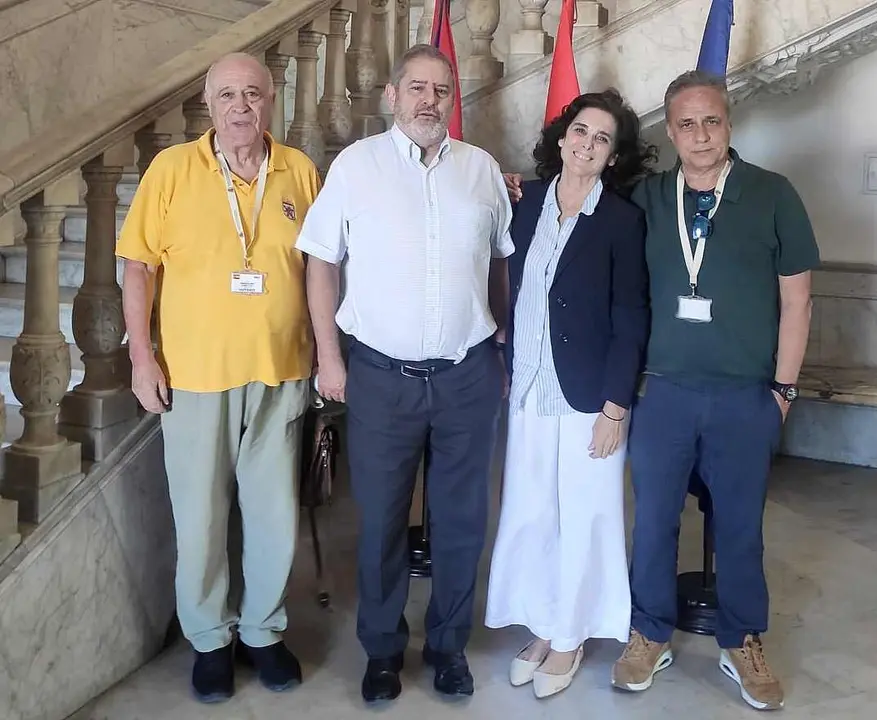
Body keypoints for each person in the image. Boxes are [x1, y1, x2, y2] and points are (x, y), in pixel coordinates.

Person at [505, 69, 819, 711]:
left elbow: (799, 300)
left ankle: (743, 640)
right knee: (652, 522)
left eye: (712, 121)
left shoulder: (773, 193)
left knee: (739, 526)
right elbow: (587, 217)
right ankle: (649, 633)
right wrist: (516, 186)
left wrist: (784, 391)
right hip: (662, 392)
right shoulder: (647, 198)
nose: (699, 134)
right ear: (670, 131)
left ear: (728, 124)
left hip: (744, 392)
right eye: (685, 123)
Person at [296, 44, 513, 704]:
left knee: (460, 520)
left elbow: (499, 261)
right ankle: (383, 651)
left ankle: (448, 648)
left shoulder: (480, 171)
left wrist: (497, 340)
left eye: (441, 90)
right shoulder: (354, 167)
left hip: (465, 378)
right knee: (383, 521)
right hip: (380, 380)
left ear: (454, 101)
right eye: (416, 88)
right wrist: (329, 357)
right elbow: (320, 263)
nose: (428, 100)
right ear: (391, 97)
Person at [117, 52, 320, 703]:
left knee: (272, 514)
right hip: (194, 376)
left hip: (280, 370)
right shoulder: (171, 170)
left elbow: (320, 267)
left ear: (270, 101)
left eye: (253, 94)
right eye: (228, 95)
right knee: (200, 515)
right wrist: (142, 359)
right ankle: (209, 638)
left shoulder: (300, 171)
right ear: (209, 105)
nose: (241, 106)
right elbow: (137, 268)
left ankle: (262, 631)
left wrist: (324, 352)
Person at [483, 89, 654, 699]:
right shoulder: (525, 203)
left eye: (602, 139)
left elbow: (632, 316)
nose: (587, 145)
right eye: (580, 131)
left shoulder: (621, 220)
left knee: (586, 513)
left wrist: (617, 405)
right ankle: (542, 622)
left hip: (590, 396)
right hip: (528, 382)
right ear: (562, 137)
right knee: (531, 508)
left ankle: (574, 631)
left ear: (613, 156)